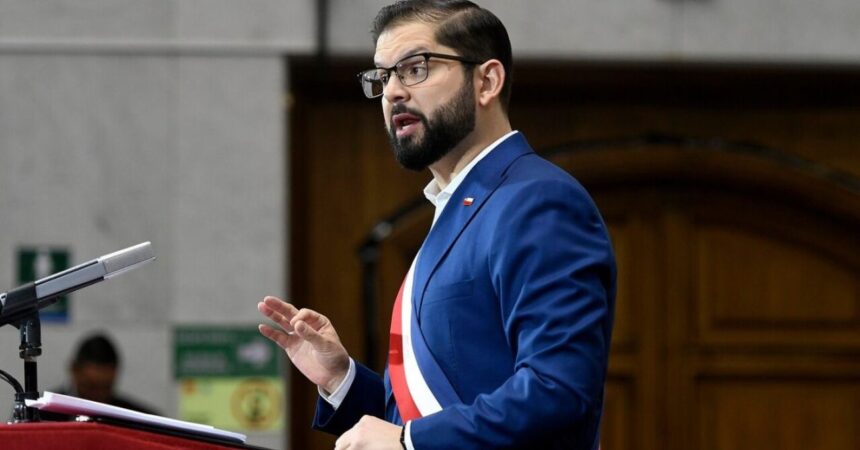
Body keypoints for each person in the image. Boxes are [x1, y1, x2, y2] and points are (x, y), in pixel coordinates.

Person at [258, 1, 616, 449]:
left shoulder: (537, 201)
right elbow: (433, 405)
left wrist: (410, 442)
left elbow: (558, 391)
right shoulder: (462, 206)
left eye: (415, 68)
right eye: (383, 76)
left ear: (486, 81)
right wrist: (341, 378)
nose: (392, 92)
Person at [57, 332, 157, 414]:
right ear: (74, 369)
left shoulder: (136, 418)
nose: (97, 397)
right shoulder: (45, 415)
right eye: (91, 387)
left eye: (105, 388)